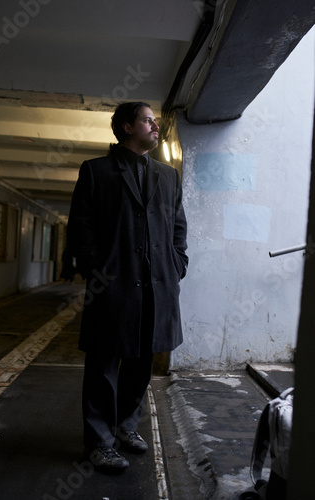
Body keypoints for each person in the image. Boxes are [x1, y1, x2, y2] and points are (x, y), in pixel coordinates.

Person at [67, 101, 188, 473]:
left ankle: (125, 426)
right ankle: (99, 444)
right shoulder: (96, 172)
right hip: (112, 286)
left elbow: (179, 227)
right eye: (148, 121)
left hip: (157, 286)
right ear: (125, 128)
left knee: (141, 362)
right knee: (104, 364)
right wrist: (94, 268)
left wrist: (177, 263)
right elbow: (80, 228)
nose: (155, 127)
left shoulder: (168, 177)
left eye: (155, 122)